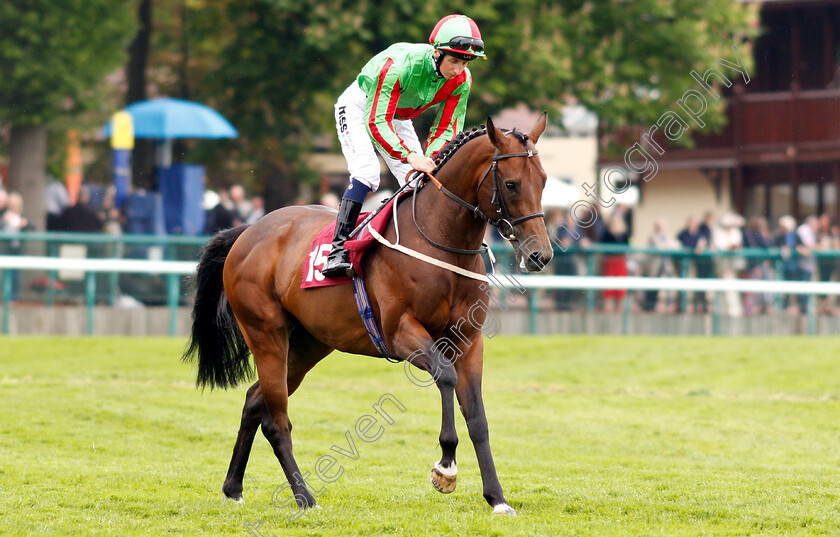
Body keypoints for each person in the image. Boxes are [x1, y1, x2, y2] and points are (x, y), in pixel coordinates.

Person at [321, 14, 485, 278]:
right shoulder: (398, 66)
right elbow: (376, 121)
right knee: (367, 172)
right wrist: (410, 155)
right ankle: (337, 250)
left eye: (465, 62)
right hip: (361, 106)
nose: (457, 69)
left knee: (422, 179)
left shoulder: (461, 80)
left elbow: (446, 129)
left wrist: (430, 159)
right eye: (454, 60)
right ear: (437, 53)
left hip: (397, 115)